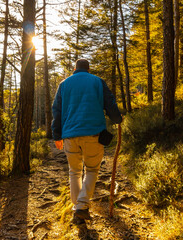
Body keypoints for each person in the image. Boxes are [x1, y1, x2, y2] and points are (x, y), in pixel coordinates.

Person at [51, 59, 122, 222]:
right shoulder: (97, 81)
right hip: (93, 134)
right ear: (88, 69)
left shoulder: (64, 84)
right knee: (91, 170)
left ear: (75, 69)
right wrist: (117, 118)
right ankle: (81, 206)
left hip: (70, 135)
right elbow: (110, 103)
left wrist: (57, 135)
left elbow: (57, 111)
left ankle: (78, 209)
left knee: (74, 171)